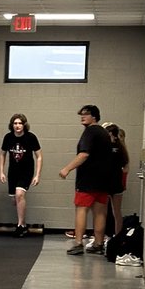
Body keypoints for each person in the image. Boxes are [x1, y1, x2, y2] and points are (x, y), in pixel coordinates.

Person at [59, 104, 113, 255]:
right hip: (102, 180)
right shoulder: (103, 133)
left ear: (94, 116)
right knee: (100, 212)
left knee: (81, 210)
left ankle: (77, 243)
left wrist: (67, 168)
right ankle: (98, 243)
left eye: (86, 114)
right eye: (81, 114)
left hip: (87, 180)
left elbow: (84, 154)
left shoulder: (89, 132)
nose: (82, 117)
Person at [0, 113, 42, 236]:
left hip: (26, 171)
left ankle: (20, 225)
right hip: (13, 171)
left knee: (19, 195)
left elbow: (39, 156)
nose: (17, 126)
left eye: (20, 123)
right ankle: (23, 224)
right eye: (15, 123)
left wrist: (37, 175)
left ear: (24, 125)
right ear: (12, 125)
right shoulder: (8, 137)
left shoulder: (31, 137)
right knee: (14, 200)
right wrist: (1, 171)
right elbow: (2, 154)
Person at [103, 122, 129, 236]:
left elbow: (125, 168)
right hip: (111, 182)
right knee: (110, 212)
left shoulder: (116, 148)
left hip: (112, 182)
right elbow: (125, 167)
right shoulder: (120, 148)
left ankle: (115, 237)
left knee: (114, 212)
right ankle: (110, 236)